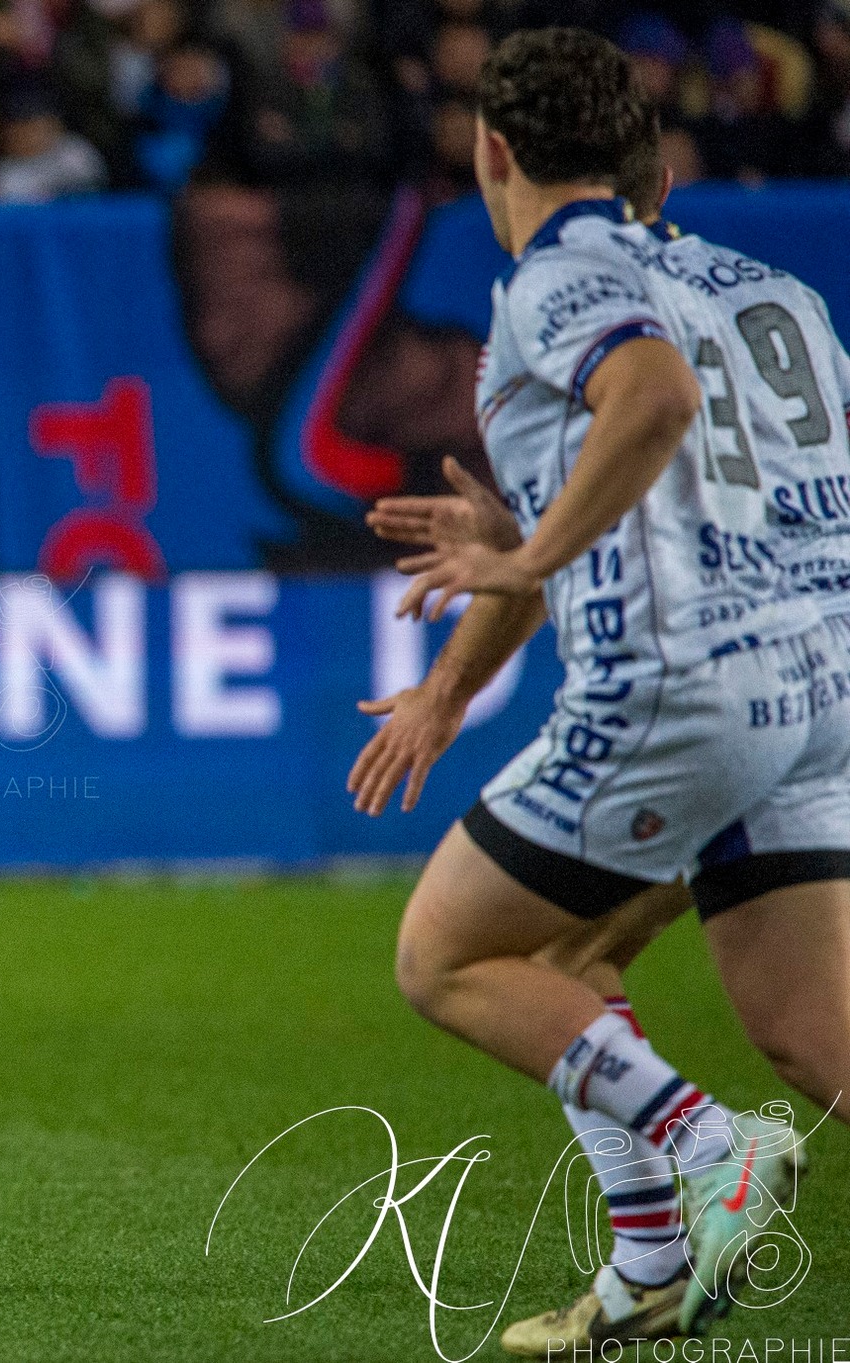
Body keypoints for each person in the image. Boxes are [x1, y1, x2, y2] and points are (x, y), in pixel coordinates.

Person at [346, 27, 844, 1348]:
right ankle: (647, 1266)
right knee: (798, 1026)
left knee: (451, 952)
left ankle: (710, 1148)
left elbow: (653, 399)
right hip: (820, 686)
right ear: (652, 172)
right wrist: (451, 691)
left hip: (682, 693)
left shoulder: (560, 280)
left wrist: (531, 548)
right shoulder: (769, 287)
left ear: (491, 148)